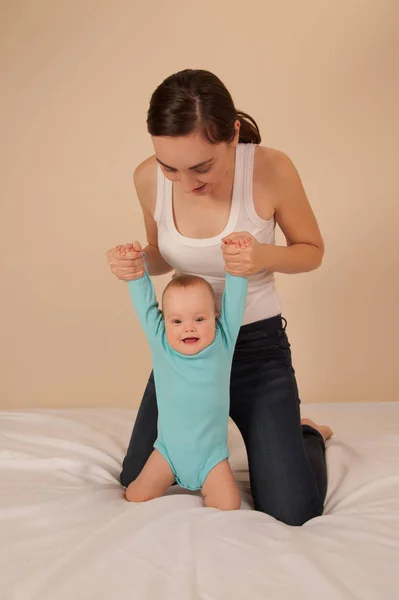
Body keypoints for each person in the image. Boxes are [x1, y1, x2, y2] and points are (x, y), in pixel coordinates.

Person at [107, 69, 333, 526]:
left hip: (256, 349)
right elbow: (162, 258)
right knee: (133, 476)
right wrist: (134, 264)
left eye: (201, 167)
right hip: (184, 353)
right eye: (170, 166)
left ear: (231, 136)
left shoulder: (271, 168)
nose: (185, 182)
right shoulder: (148, 179)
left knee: (291, 510)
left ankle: (303, 435)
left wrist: (260, 256)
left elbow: (312, 252)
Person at [123, 238, 248, 510]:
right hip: (167, 453)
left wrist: (236, 261)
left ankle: (308, 431)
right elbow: (145, 305)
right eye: (177, 321)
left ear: (215, 316)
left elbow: (235, 300)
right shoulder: (162, 343)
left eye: (199, 319)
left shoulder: (222, 343)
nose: (188, 328)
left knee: (228, 505)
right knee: (134, 496)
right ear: (164, 320)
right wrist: (135, 270)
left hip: (211, 458)